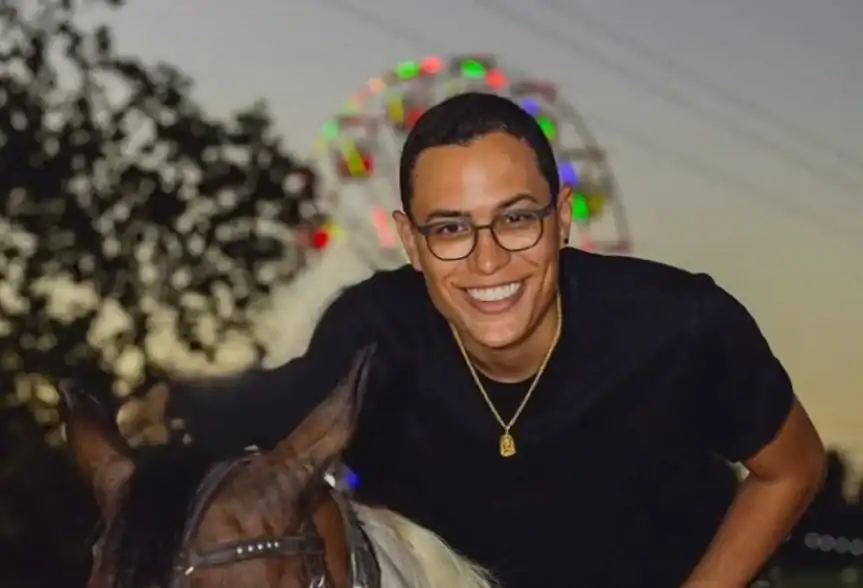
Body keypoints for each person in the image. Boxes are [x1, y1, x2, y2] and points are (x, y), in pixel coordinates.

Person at [139, 92, 825, 588]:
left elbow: (791, 468)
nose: (487, 259)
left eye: (516, 219)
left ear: (562, 217)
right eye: (449, 228)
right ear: (410, 241)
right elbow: (268, 402)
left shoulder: (678, 325)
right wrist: (164, 404)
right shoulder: (373, 337)